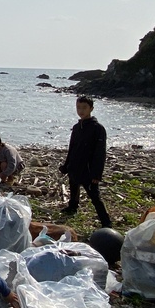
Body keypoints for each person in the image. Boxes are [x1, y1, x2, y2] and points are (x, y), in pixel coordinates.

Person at [59, 96, 111, 228]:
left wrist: (96, 174)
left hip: (88, 169)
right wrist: (66, 166)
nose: (81, 111)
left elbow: (100, 153)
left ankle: (106, 222)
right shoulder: (77, 127)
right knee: (73, 188)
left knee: (95, 197)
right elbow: (72, 148)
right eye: (78, 107)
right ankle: (72, 207)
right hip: (74, 166)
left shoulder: (98, 128)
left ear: (91, 109)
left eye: (84, 108)